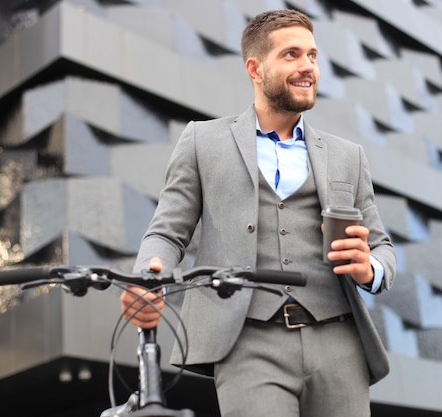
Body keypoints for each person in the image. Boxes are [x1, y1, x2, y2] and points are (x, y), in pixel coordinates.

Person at [120, 9, 396, 417]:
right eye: (291, 55)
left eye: (313, 55)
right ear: (255, 68)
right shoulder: (203, 141)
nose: (308, 67)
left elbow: (383, 248)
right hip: (248, 341)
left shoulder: (347, 156)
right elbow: (167, 233)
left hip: (339, 340)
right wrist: (148, 276)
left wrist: (368, 267)